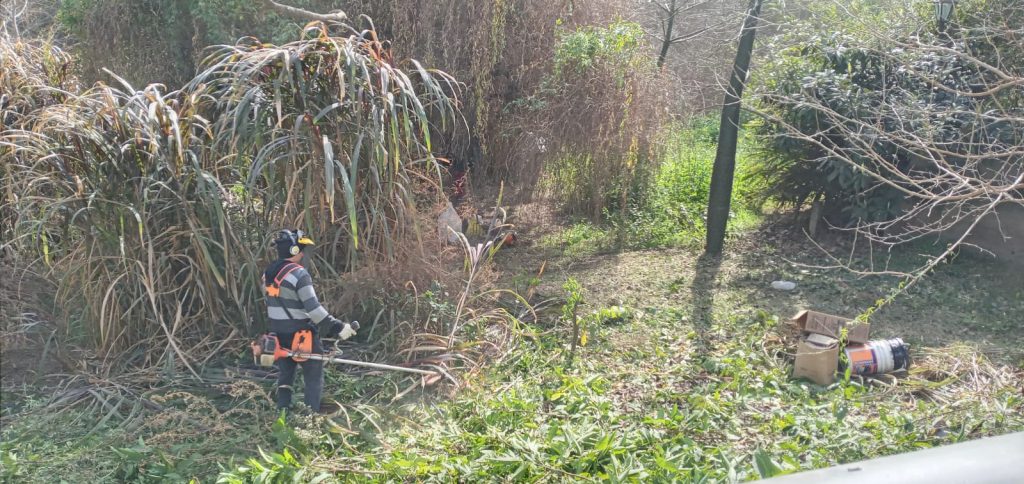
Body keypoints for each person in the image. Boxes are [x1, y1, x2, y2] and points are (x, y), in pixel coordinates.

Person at [262, 229, 357, 412]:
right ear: (295, 251)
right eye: (302, 248)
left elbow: (271, 303)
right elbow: (313, 310)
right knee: (313, 375)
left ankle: (283, 410)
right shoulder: (299, 275)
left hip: (277, 334)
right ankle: (310, 415)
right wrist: (338, 327)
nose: (305, 253)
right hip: (301, 335)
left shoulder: (268, 274)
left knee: (286, 373)